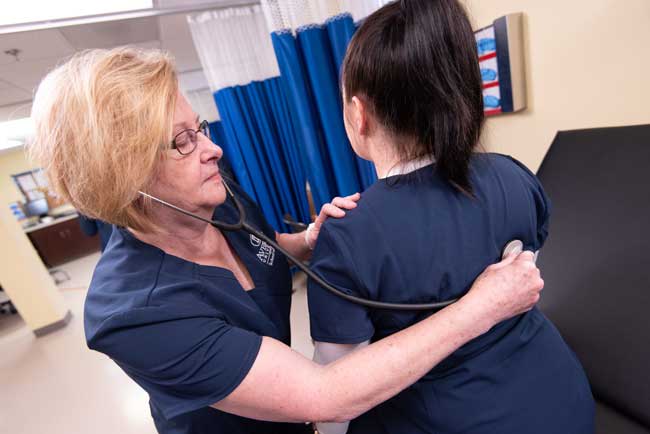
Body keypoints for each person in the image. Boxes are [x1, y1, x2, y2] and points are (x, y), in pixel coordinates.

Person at [29, 47, 543, 434]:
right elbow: (325, 396)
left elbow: (259, 243)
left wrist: (306, 241)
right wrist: (483, 307)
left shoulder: (212, 194)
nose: (212, 148)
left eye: (199, 127)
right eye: (182, 142)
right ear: (124, 179)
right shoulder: (135, 314)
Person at [307, 1, 595, 434]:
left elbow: (335, 409)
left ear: (357, 114)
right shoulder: (512, 175)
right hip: (563, 400)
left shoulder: (349, 237)